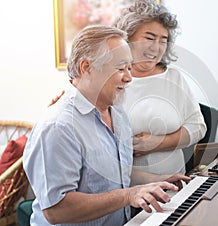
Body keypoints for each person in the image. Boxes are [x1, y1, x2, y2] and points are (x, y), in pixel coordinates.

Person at [23, 24, 190, 226]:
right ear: (86, 68)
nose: (129, 78)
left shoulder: (117, 112)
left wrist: (156, 180)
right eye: (120, 68)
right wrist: (129, 195)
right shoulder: (58, 126)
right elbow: (57, 210)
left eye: (129, 67)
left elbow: (114, 172)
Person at [114, 0, 207, 176]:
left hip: (174, 187)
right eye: (149, 38)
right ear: (127, 38)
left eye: (163, 41)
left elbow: (198, 127)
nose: (156, 48)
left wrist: (157, 143)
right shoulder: (110, 79)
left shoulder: (174, 78)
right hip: (125, 189)